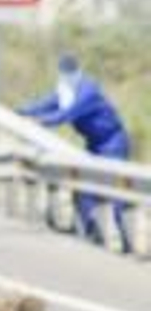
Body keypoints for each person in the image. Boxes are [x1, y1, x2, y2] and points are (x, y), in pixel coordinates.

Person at [21, 54, 134, 249]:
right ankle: (93, 234)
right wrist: (22, 111)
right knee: (83, 189)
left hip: (113, 143)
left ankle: (126, 242)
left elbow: (65, 115)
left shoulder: (88, 91)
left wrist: (38, 121)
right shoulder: (66, 90)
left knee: (116, 194)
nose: (65, 76)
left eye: (68, 72)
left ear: (76, 72)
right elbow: (46, 104)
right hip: (94, 145)